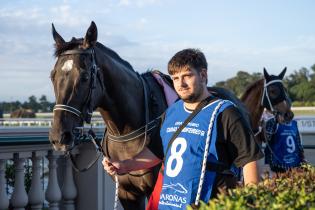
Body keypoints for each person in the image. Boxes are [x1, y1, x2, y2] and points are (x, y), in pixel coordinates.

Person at [103, 48, 263, 209]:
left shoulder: (226, 112)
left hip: (211, 204)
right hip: (169, 205)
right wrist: (124, 165)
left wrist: (251, 201)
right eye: (175, 78)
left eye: (187, 76)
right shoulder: (172, 111)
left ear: (203, 75)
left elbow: (249, 160)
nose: (181, 84)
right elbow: (157, 151)